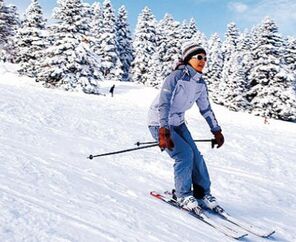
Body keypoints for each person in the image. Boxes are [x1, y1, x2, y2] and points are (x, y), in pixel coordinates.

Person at [147, 41, 224, 211]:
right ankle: (183, 195)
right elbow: (164, 104)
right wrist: (163, 130)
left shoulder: (200, 83)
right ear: (188, 58)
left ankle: (202, 192)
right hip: (159, 122)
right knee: (184, 155)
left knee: (196, 155)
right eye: (199, 57)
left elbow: (206, 108)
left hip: (179, 123)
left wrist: (216, 130)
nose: (203, 60)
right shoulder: (176, 77)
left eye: (205, 57)